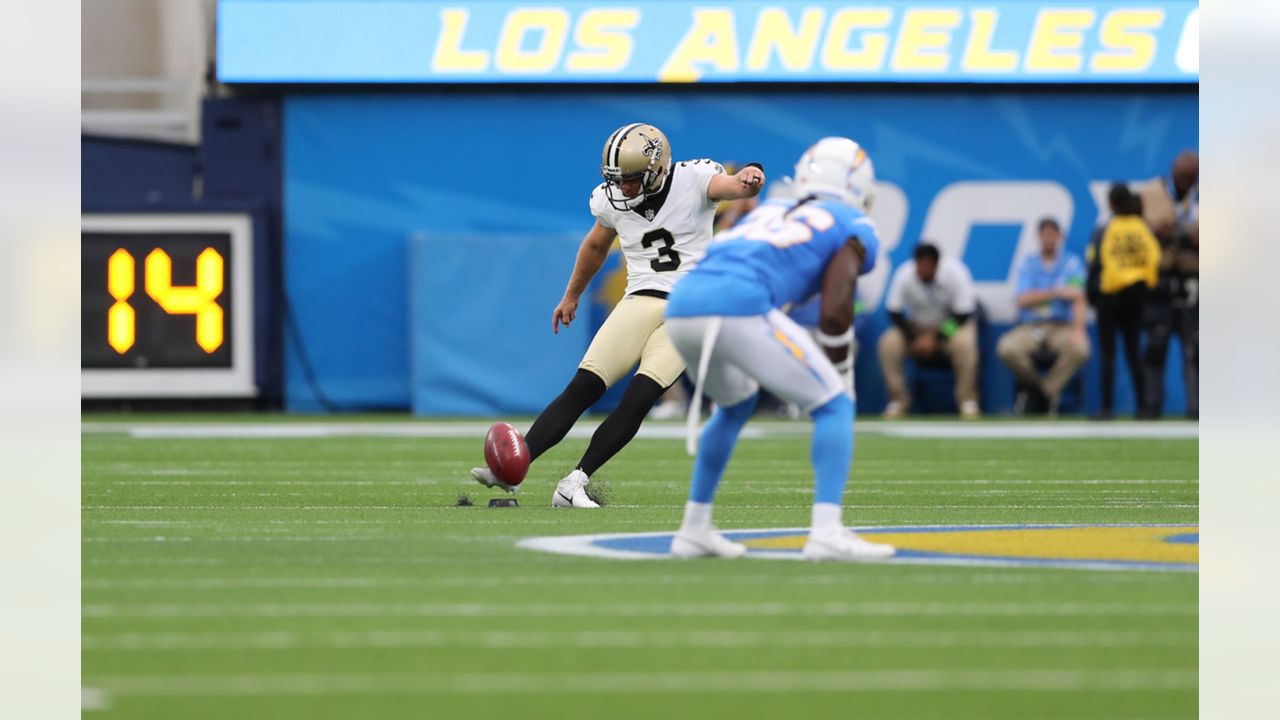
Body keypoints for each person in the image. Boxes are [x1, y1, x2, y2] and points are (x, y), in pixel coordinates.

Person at [470, 123, 765, 507]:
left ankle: (574, 482)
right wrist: (571, 295)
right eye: (616, 179)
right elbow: (595, 245)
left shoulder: (693, 179)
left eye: (630, 179)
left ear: (657, 170)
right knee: (582, 388)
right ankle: (511, 470)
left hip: (692, 309)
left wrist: (749, 177)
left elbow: (736, 188)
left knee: (640, 398)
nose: (622, 188)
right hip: (641, 299)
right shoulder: (610, 201)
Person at [661, 137, 895, 562]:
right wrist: (839, 363)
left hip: (682, 304)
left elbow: (732, 252)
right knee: (835, 405)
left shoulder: (768, 209)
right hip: (737, 306)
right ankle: (826, 531)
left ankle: (693, 529)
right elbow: (838, 300)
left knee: (735, 404)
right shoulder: (851, 221)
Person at [996, 218, 1091, 416]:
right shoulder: (1028, 263)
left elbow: (1077, 297)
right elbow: (1023, 299)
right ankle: (1038, 390)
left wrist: (1079, 329)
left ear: (1060, 237)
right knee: (1006, 348)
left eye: (1052, 234)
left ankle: (1044, 393)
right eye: (1045, 234)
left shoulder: (1071, 263)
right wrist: (1056, 292)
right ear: (1038, 237)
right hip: (1031, 326)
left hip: (1061, 325)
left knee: (1081, 348)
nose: (1048, 239)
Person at [877, 243, 980, 419]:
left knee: (966, 345)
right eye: (919, 265)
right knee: (888, 344)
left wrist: (936, 338)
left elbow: (963, 314)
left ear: (936, 264)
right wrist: (912, 338)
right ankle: (898, 401)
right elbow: (894, 311)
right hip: (916, 327)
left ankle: (967, 401)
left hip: (951, 326)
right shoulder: (905, 274)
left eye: (926, 266)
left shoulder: (956, 273)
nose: (921, 270)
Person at [1086, 184, 1161, 420]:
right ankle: (1143, 407)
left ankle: (1107, 408)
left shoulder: (1106, 228)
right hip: (1137, 295)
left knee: (1108, 353)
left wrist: (1093, 294)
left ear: (1111, 204)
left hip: (1110, 295)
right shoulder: (1141, 228)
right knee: (1133, 351)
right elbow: (1155, 257)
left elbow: (1094, 261)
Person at [1140, 150, 1199, 419]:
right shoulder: (1150, 192)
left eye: (1192, 178)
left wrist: (1191, 236)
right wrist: (1153, 232)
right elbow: (1133, 230)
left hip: (1194, 277)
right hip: (1159, 278)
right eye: (1183, 177)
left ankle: (1198, 406)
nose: (1187, 182)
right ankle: (1152, 404)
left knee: (1197, 347)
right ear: (1173, 172)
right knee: (1156, 344)